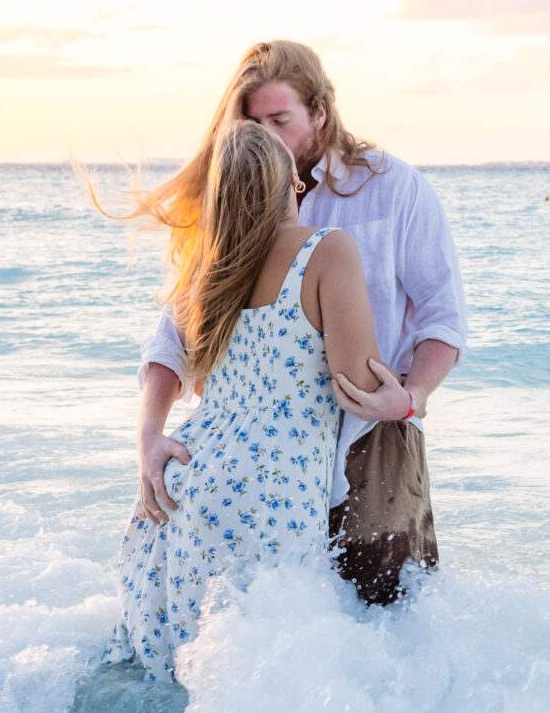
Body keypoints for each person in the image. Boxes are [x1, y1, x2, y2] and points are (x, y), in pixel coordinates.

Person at [135, 40, 467, 606]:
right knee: (259, 620)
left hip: (369, 440)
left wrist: (410, 399)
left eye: (279, 120)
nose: (265, 135)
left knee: (388, 613)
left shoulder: (394, 188)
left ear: (320, 111)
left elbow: (444, 317)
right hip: (263, 464)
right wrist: (149, 434)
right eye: (252, 123)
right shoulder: (229, 199)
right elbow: (175, 332)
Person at [92, 119, 382, 683]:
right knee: (262, 681)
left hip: (184, 479)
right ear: (292, 182)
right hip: (270, 490)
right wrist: (403, 397)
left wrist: (148, 432)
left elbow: (170, 354)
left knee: (175, 677)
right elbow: (358, 386)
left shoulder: (206, 268)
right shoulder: (328, 250)